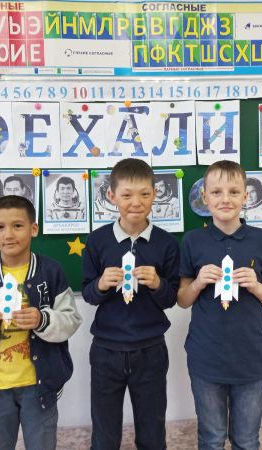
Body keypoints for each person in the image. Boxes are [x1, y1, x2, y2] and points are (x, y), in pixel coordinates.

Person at [0, 195, 83, 450]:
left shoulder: (51, 271)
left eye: (18, 226)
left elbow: (71, 319)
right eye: (0, 227)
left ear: (33, 229)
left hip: (39, 387)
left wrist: (42, 319)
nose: (9, 234)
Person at [177, 160, 262, 450]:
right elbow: (182, 300)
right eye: (217, 192)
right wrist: (198, 282)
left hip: (250, 357)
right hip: (205, 357)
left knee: (247, 440)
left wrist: (256, 286)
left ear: (246, 196)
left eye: (234, 192)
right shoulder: (192, 241)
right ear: (205, 198)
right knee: (211, 438)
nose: (225, 199)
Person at [82, 158, 180, 450]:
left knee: (152, 432)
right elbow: (87, 293)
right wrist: (100, 284)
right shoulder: (97, 241)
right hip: (106, 349)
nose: (136, 202)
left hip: (150, 349)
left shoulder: (166, 243)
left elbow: (172, 298)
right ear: (112, 196)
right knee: (105, 434)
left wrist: (158, 283)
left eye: (144, 194)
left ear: (155, 194)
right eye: (126, 195)